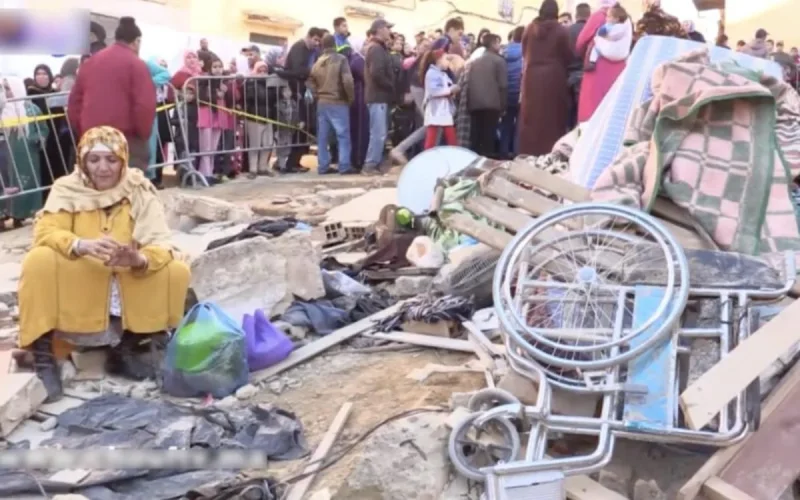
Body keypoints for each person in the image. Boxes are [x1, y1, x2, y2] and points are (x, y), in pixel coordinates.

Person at [18, 126, 191, 402]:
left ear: (123, 160)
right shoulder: (67, 188)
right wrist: (80, 244)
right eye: (94, 160)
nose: (103, 168)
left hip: (125, 269)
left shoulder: (138, 188)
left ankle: (127, 349)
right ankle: (43, 358)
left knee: (176, 269)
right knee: (38, 260)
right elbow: (46, 231)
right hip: (81, 268)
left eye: (111, 160)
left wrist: (137, 258)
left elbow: (160, 241)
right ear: (82, 161)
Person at [67, 17, 156, 171]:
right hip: (125, 139)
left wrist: (82, 130)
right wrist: (142, 135)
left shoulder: (91, 63)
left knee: (95, 188)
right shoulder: (137, 65)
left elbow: (74, 103)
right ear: (136, 41)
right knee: (126, 189)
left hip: (92, 138)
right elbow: (144, 106)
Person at [518, 0, 573, 155]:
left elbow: (524, 51)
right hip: (554, 80)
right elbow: (569, 55)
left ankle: (527, 154)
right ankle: (550, 155)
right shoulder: (562, 31)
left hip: (531, 79)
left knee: (530, 120)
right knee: (552, 122)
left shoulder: (529, 29)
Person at [0, 76, 47, 224]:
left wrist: (36, 138)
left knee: (26, 181)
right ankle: (4, 214)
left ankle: (23, 214)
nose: (6, 92)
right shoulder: (2, 109)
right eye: (3, 88)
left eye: (8, 88)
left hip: (26, 154)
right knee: (6, 181)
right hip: (5, 153)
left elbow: (43, 129)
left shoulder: (31, 110)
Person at [277, 27, 324, 173]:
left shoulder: (311, 51)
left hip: (304, 92)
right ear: (309, 36)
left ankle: (296, 161)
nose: (316, 43)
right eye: (315, 40)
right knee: (299, 128)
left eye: (319, 41)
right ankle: (289, 163)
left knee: (304, 129)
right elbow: (297, 70)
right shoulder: (299, 48)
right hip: (296, 91)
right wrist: (310, 72)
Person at [307, 34, 355, 175]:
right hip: (338, 101)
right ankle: (344, 166)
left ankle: (323, 166)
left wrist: (317, 94)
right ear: (335, 45)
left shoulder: (318, 62)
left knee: (322, 137)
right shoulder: (341, 59)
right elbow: (348, 81)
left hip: (322, 102)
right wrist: (350, 98)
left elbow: (310, 81)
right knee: (343, 135)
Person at [576, 0, 626, 123]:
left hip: (597, 69)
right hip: (619, 70)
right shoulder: (625, 18)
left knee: (592, 115)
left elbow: (580, 42)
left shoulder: (598, 16)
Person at [195, 54, 236, 182]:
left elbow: (231, 100)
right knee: (206, 148)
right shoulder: (204, 79)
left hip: (219, 114)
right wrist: (216, 93)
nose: (218, 69)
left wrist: (226, 91)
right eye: (215, 66)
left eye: (220, 66)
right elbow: (201, 96)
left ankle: (209, 173)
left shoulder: (224, 80)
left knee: (213, 148)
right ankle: (205, 174)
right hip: (207, 113)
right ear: (210, 68)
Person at [363, 19, 395, 175]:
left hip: (378, 97)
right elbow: (377, 73)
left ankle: (374, 163)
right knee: (378, 133)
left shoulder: (378, 48)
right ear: (380, 29)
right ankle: (370, 165)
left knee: (379, 132)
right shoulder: (376, 49)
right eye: (387, 28)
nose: (389, 31)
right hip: (378, 96)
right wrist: (390, 85)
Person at [467, 34, 507, 158]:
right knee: (488, 140)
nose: (499, 46)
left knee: (476, 138)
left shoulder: (474, 62)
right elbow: (503, 85)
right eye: (498, 43)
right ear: (494, 43)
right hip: (492, 104)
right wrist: (503, 106)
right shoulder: (499, 61)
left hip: (474, 105)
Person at [243, 61, 278, 176]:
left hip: (268, 117)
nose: (263, 73)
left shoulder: (271, 85)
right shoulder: (250, 83)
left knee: (268, 143)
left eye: (265, 70)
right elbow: (249, 99)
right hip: (255, 117)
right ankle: (253, 169)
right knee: (255, 144)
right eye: (260, 70)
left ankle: (263, 166)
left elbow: (274, 99)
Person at [421, 48, 457, 149]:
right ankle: (427, 157)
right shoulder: (431, 73)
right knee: (432, 137)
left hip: (444, 108)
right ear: (439, 60)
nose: (448, 62)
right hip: (435, 108)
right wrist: (450, 90)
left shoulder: (443, 74)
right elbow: (434, 91)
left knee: (450, 135)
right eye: (446, 59)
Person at [585, 3, 631, 72]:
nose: (606, 18)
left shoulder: (609, 26)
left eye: (609, 16)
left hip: (609, 52)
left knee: (595, 47)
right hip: (623, 54)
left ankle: (592, 62)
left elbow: (601, 34)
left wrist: (601, 33)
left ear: (616, 19)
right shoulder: (626, 27)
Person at [567, 3, 591, 130]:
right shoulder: (592, 30)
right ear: (589, 15)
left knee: (568, 113)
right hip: (585, 74)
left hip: (568, 75)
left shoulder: (568, 31)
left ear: (576, 15)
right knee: (581, 113)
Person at [501, 26, 523, 158]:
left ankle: (503, 152)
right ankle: (516, 152)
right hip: (519, 92)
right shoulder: (525, 51)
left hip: (506, 92)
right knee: (519, 124)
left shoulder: (504, 51)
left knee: (506, 123)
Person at [348, 37, 370, 170]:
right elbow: (366, 77)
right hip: (359, 99)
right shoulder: (357, 61)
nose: (367, 46)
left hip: (362, 98)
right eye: (365, 44)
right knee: (359, 131)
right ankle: (358, 159)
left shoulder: (362, 60)